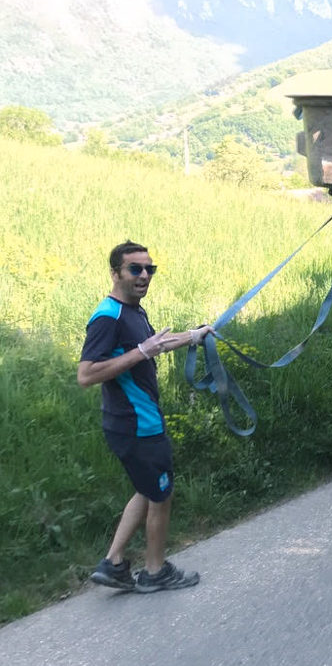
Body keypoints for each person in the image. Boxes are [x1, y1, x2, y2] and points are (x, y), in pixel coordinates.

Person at [78, 241, 213, 593]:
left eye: (149, 269)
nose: (144, 275)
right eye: (135, 269)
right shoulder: (108, 317)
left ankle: (114, 563)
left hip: (140, 421)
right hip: (135, 425)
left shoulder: (133, 311)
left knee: (147, 486)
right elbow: (87, 375)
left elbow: (157, 344)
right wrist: (140, 353)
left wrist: (193, 336)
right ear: (115, 273)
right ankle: (155, 572)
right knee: (161, 495)